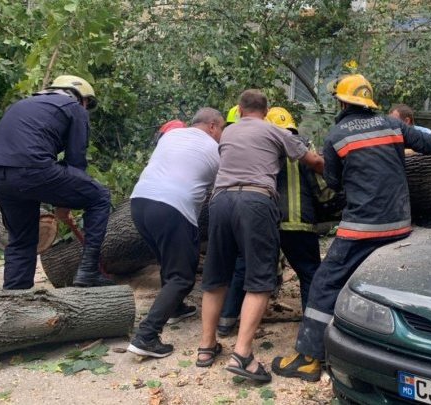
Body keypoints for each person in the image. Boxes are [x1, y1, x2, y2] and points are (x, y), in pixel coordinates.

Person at [272, 74, 431, 381]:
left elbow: (334, 183)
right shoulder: (393, 125)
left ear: (342, 101)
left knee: (324, 283)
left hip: (360, 228)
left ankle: (309, 358)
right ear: (369, 102)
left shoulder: (337, 136)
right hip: (400, 226)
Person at [196, 90, 324, 383]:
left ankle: (206, 347)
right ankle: (242, 354)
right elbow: (313, 161)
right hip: (255, 201)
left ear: (239, 110)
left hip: (220, 201)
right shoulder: (273, 130)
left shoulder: (226, 134)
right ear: (265, 111)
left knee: (216, 276)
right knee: (260, 277)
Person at [0, 75, 112, 289]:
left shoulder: (20, 104)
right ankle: (88, 271)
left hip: (0, 177)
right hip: (33, 169)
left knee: (22, 239)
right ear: (81, 97)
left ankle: (14, 300)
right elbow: (76, 161)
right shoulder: (74, 107)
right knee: (100, 197)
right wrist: (63, 206)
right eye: (87, 104)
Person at [216, 106, 325, 337]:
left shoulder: (263, 143)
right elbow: (320, 184)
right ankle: (311, 329)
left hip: (264, 221)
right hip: (299, 223)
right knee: (309, 274)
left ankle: (226, 321)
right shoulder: (302, 144)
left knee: (245, 266)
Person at [126, 108, 223, 358]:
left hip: (138, 202)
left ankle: (175, 307)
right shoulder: (215, 149)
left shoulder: (171, 136)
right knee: (182, 276)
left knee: (167, 258)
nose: (221, 135)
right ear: (212, 126)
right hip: (172, 208)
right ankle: (146, 336)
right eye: (221, 129)